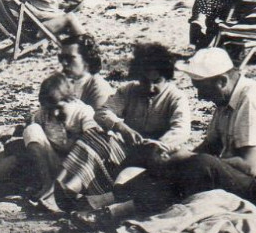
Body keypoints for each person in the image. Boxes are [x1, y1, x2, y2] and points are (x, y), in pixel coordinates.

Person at [99, 47, 256, 223]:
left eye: (202, 88)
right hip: (252, 181)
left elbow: (250, 166)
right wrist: (172, 158)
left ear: (222, 81)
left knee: (200, 165)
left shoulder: (252, 100)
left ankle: (121, 209)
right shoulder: (226, 101)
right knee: (166, 159)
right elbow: (210, 146)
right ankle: (111, 200)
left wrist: (189, 158)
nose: (199, 96)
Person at [36, 43, 191, 213]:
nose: (150, 87)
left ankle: (65, 192)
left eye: (156, 81)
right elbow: (102, 113)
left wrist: (157, 144)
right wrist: (121, 127)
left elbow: (181, 130)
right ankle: (69, 190)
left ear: (166, 77)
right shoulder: (130, 91)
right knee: (95, 134)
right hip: (128, 153)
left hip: (158, 156)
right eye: (145, 81)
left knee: (95, 142)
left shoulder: (176, 97)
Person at [59, 35, 115, 110]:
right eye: (61, 58)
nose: (64, 63)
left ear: (86, 59)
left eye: (69, 58)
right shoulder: (63, 84)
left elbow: (101, 119)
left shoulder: (99, 89)